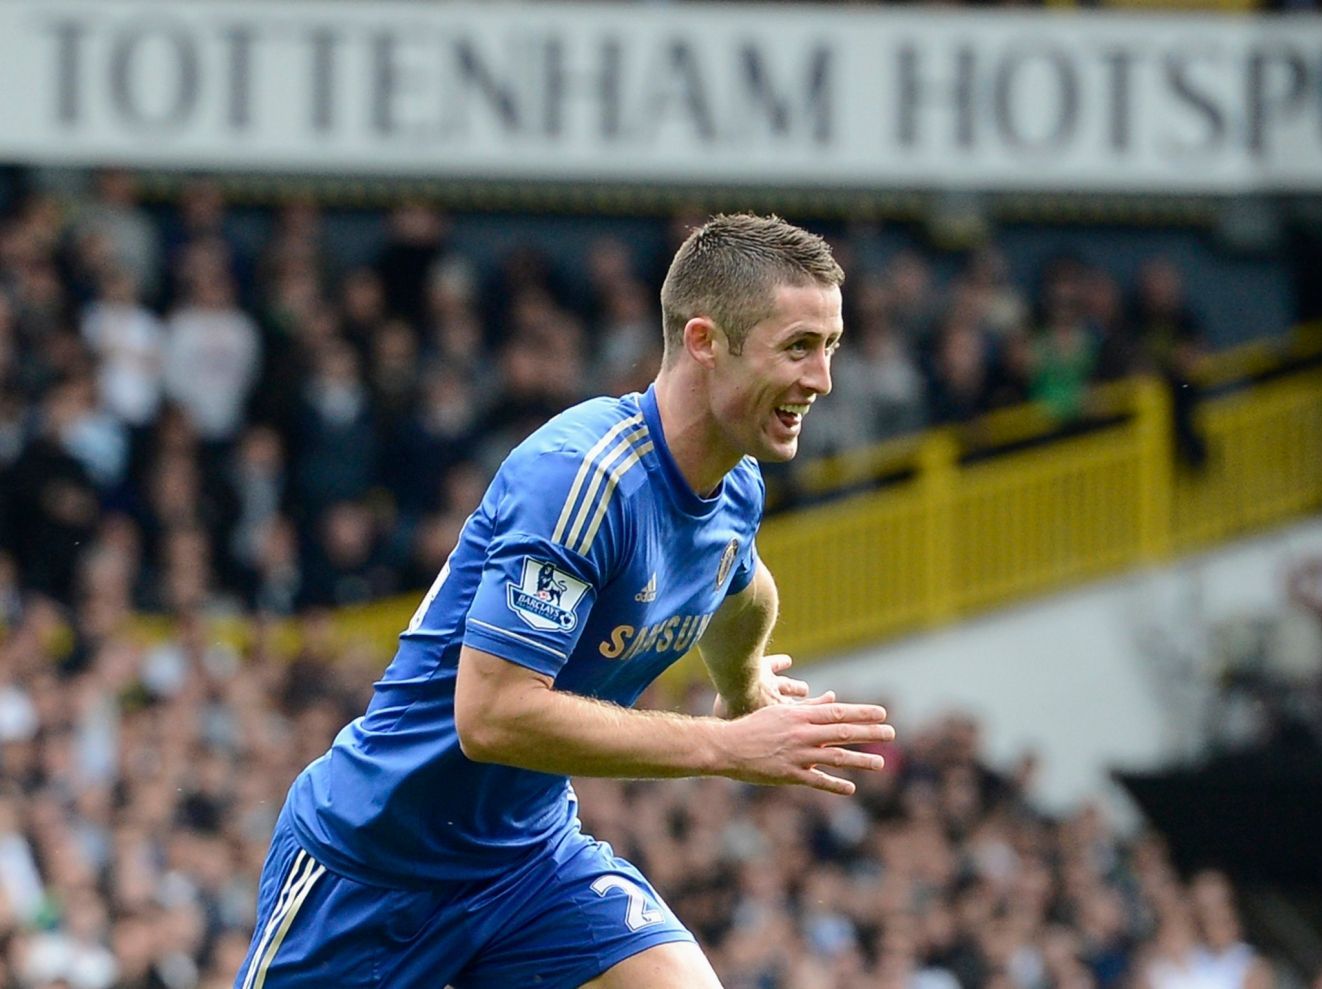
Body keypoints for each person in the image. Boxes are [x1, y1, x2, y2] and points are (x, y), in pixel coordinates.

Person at [235, 213, 895, 989]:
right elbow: (493, 716)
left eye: (829, 349)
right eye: (798, 347)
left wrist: (743, 686)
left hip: (527, 867)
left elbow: (742, 586)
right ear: (705, 342)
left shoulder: (735, 484)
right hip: (375, 867)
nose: (821, 380)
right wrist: (728, 747)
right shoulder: (582, 478)